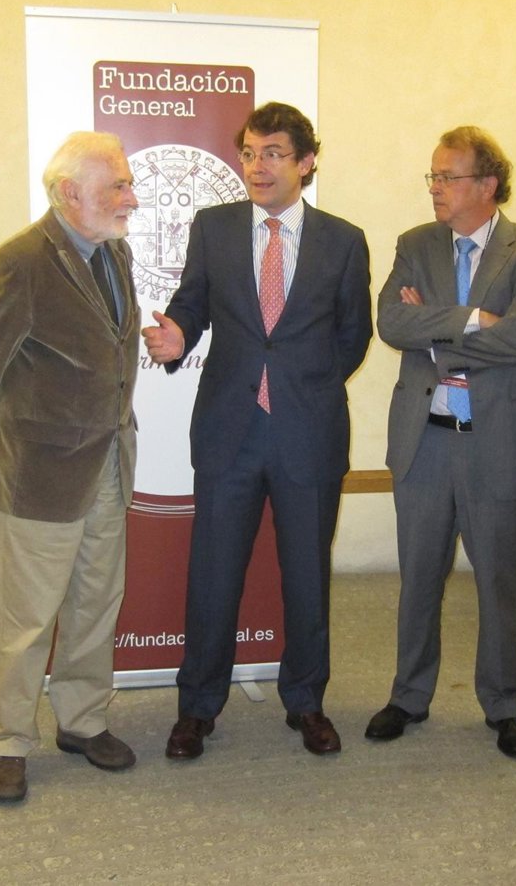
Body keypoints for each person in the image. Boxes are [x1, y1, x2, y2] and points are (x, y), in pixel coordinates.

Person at [143, 102, 372, 759]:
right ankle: (197, 709)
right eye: (248, 153)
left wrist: (303, 386)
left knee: (307, 577)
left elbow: (353, 334)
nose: (256, 166)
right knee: (213, 575)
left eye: (272, 153)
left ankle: (306, 702)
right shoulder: (213, 228)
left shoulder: (343, 240)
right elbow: (191, 301)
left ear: (306, 162)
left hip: (308, 431)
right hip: (230, 429)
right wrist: (178, 334)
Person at [0, 132, 141, 802]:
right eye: (118, 186)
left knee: (96, 604)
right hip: (35, 476)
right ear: (70, 193)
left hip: (106, 466)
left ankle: (83, 722)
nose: (131, 198)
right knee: (26, 619)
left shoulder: (114, 253)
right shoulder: (18, 263)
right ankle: (8, 741)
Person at [365, 126, 516, 759]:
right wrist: (475, 319)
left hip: (500, 441)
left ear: (487, 184)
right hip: (424, 439)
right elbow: (390, 322)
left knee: (500, 581)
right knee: (418, 577)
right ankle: (409, 695)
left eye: (447, 177)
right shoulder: (416, 244)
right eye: (433, 176)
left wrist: (434, 335)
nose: (435, 188)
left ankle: (504, 704)